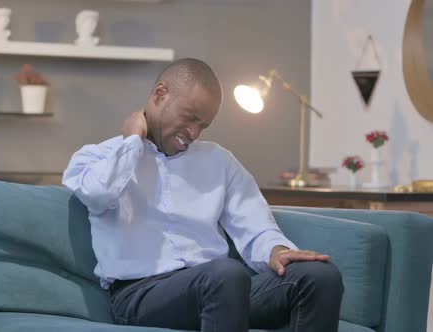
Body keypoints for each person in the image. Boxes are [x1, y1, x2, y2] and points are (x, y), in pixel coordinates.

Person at [62, 58, 344, 332]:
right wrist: (133, 142)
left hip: (222, 290)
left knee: (319, 277)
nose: (194, 132)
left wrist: (278, 251)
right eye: (190, 118)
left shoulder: (219, 161)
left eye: (203, 125)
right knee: (225, 274)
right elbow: (99, 195)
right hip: (140, 295)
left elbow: (256, 228)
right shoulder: (97, 157)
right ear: (160, 94)